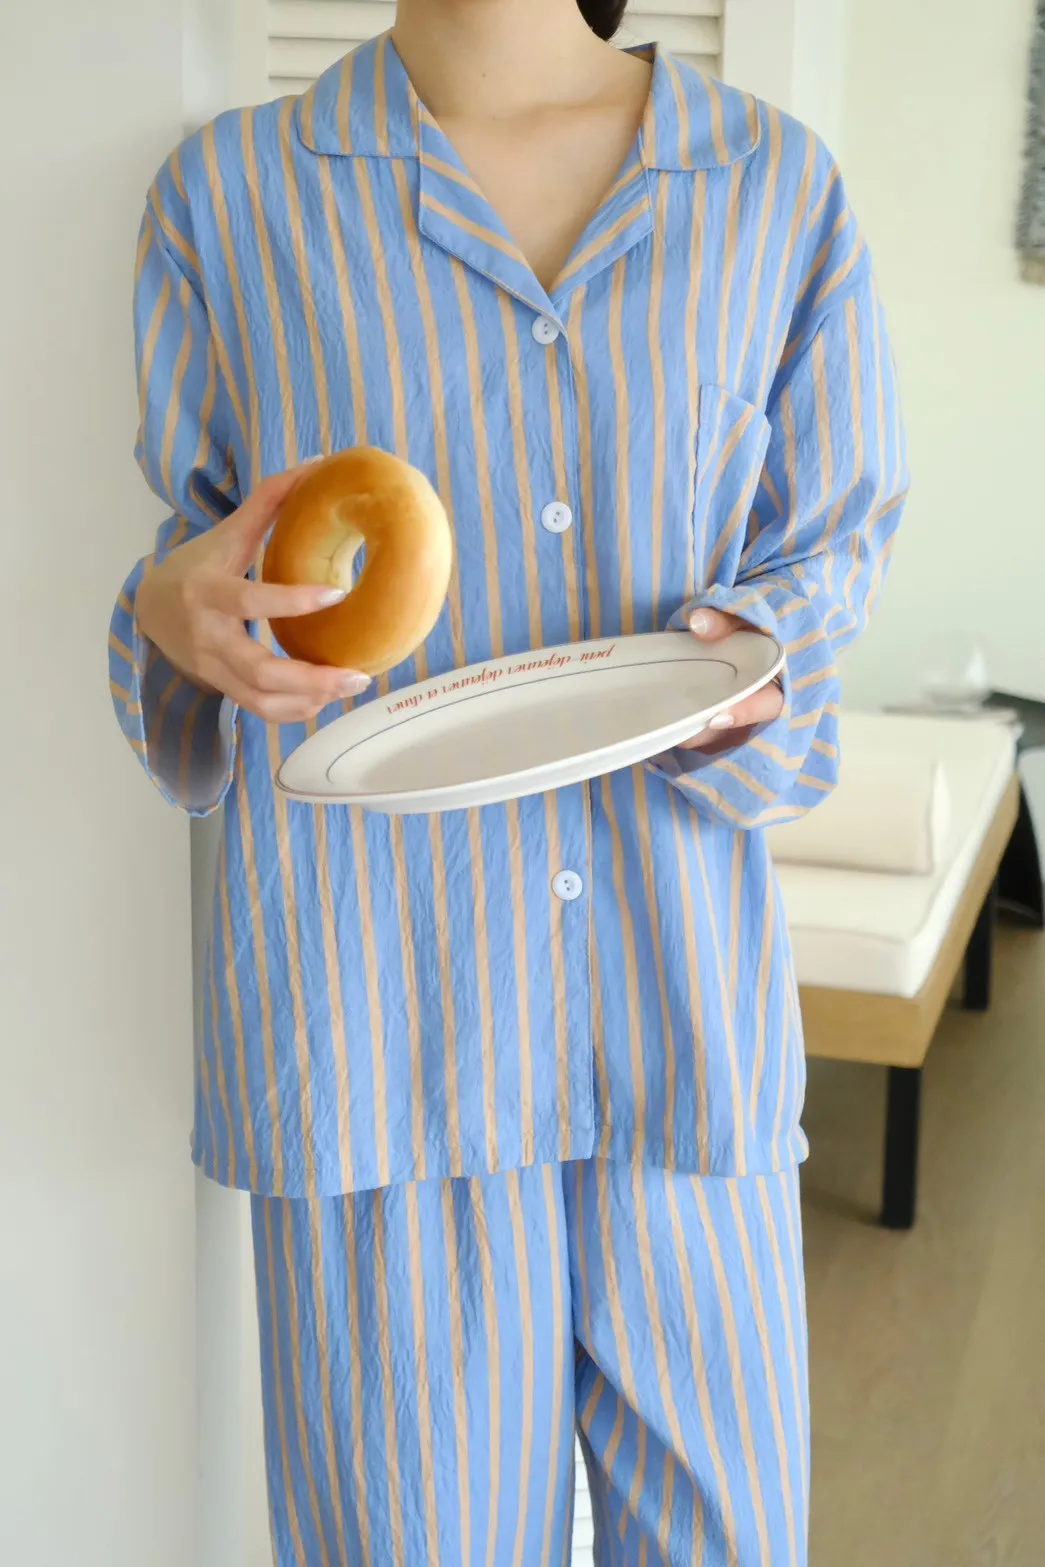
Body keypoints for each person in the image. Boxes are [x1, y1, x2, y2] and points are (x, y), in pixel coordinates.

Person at [109, 0, 906, 1561]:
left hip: (683, 1038)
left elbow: (833, 555)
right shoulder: (232, 196)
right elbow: (196, 576)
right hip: (376, 1047)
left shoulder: (775, 189)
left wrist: (761, 662)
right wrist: (163, 609)